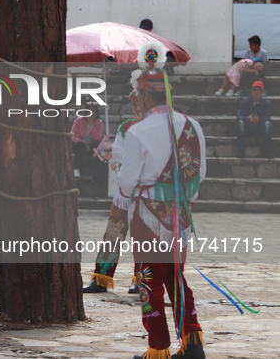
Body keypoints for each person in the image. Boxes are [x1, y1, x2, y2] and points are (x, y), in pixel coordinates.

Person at [119, 42, 207, 359]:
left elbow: (127, 183)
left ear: (144, 94)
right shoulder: (194, 126)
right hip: (180, 216)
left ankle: (158, 348)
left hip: (146, 218)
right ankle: (192, 340)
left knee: (149, 280)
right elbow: (199, 175)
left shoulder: (139, 132)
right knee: (176, 278)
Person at [83, 89, 143, 294]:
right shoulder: (126, 126)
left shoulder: (158, 128)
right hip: (125, 192)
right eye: (134, 104)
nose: (137, 108)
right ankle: (101, 278)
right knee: (113, 234)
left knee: (143, 237)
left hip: (147, 192)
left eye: (140, 104)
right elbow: (117, 151)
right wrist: (138, 162)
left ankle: (140, 279)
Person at [237, 80, 272, 158]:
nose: (256, 92)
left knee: (268, 124)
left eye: (259, 90)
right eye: (255, 90)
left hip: (260, 128)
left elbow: (267, 117)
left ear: (263, 92)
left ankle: (267, 151)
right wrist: (247, 118)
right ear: (251, 91)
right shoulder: (245, 102)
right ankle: (241, 150)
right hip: (248, 128)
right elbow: (239, 116)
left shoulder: (266, 103)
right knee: (240, 123)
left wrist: (259, 120)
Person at [70, 101, 103, 178]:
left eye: (94, 111)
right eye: (89, 111)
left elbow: (98, 138)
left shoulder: (99, 122)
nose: (91, 113)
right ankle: (77, 168)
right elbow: (72, 135)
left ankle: (99, 170)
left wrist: (92, 126)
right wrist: (81, 141)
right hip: (81, 146)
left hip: (92, 147)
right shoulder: (79, 120)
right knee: (79, 145)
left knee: (98, 144)